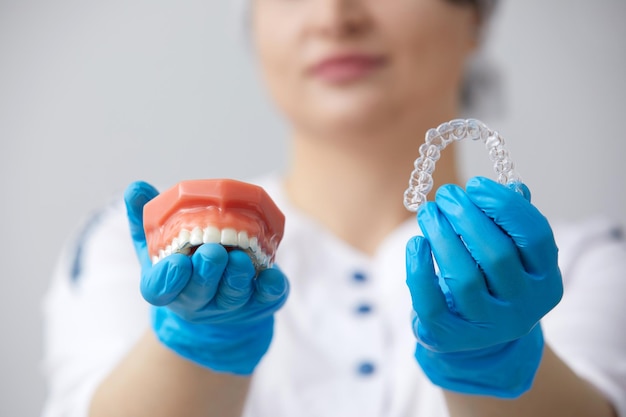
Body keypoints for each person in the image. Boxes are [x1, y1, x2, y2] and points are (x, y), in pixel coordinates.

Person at [41, 0, 626, 416]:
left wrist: (499, 365)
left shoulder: (597, 264)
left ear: (474, 13)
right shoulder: (128, 247)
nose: (334, 15)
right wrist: (194, 349)